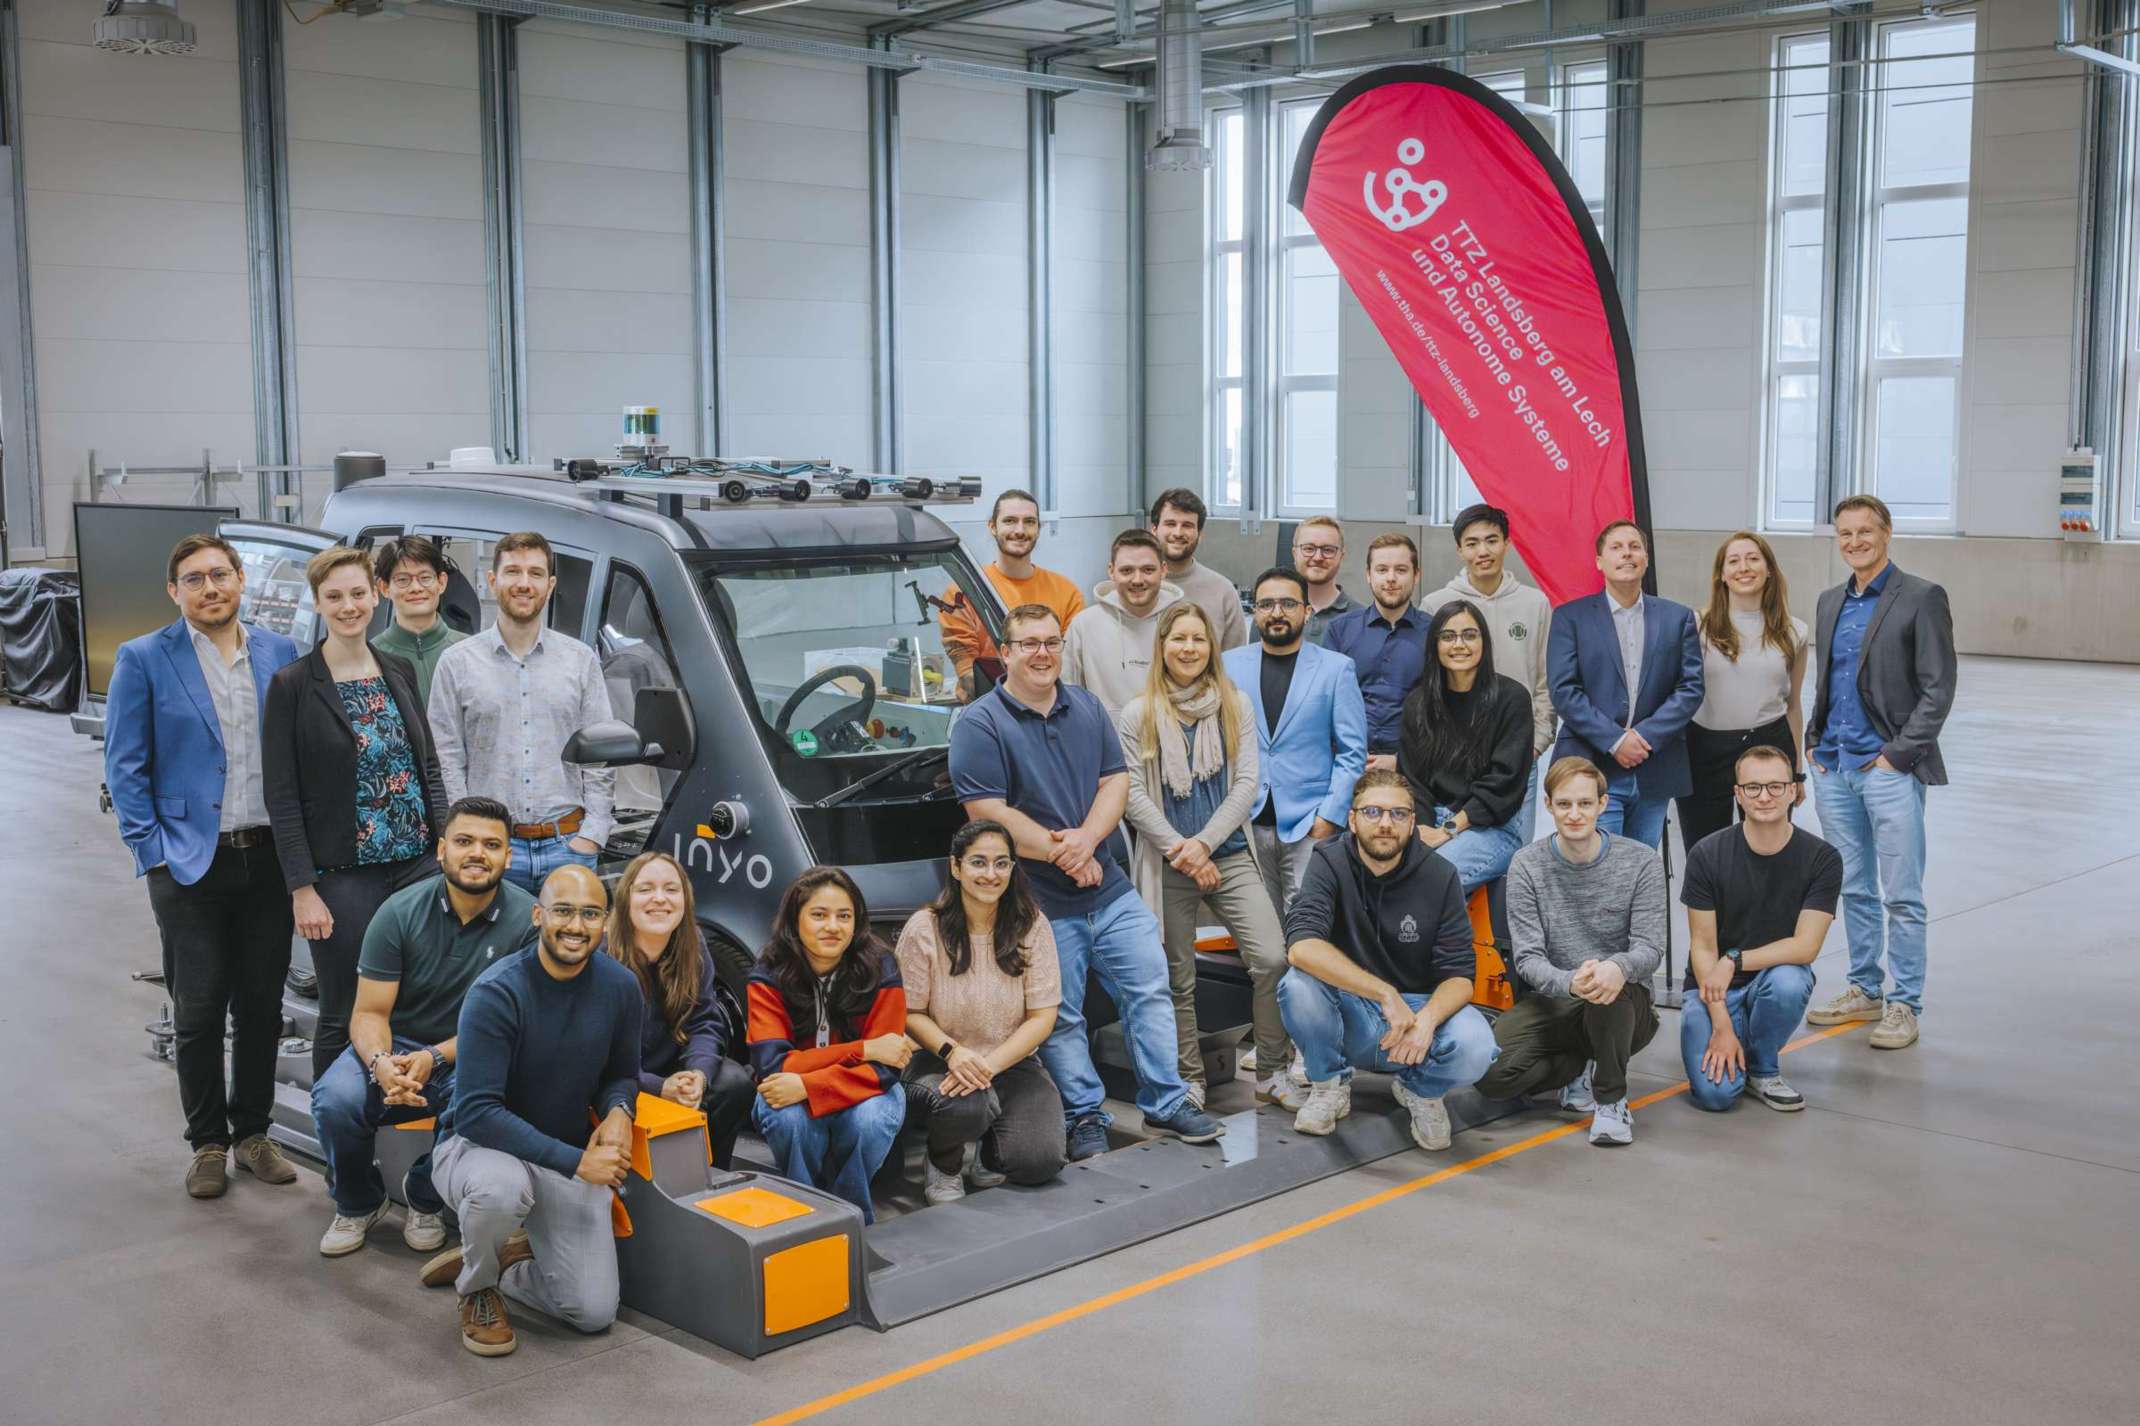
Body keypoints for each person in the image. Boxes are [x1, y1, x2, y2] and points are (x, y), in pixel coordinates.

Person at [950, 604, 1223, 1160]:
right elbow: (987, 813)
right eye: (1028, 644)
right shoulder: (980, 723)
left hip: (1109, 887)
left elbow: (1115, 782)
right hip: (1037, 899)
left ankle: (1167, 1102)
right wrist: (1066, 853)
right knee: (1061, 1012)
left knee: (1150, 989)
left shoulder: (1088, 707)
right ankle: (1083, 1116)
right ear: (1005, 654)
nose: (1042, 653)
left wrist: (1085, 843)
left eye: (1051, 641)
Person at [105, 533, 303, 1199]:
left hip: (268, 860)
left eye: (220, 575)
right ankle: (208, 1143)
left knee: (260, 1005)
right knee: (196, 1010)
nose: (210, 587)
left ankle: (252, 1132)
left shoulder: (278, 653)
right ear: (175, 591)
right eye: (194, 579)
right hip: (190, 865)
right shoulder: (143, 659)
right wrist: (154, 853)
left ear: (241, 581)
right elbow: (125, 766)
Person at [419, 864, 643, 1357]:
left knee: (593, 1311)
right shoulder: (497, 992)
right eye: (563, 911)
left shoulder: (621, 987)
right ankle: (478, 1288)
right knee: (501, 1190)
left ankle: (503, 1257)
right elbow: (478, 1112)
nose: (575, 926)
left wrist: (620, 1111)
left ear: (605, 924)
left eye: (589, 914)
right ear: (539, 915)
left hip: (559, 1150)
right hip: (479, 1148)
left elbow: (621, 1074)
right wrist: (578, 1162)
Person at [311, 797, 536, 1257]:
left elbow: (512, 1026)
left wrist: (435, 1058)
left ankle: (425, 1194)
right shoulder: (399, 911)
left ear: (508, 857)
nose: (478, 853)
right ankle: (358, 1203)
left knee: (489, 1101)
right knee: (335, 1100)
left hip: (477, 1052)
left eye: (492, 844)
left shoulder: (529, 922)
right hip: (399, 1044)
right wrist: (380, 1064)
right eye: (465, 841)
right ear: (441, 850)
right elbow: (370, 1013)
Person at [265, 545, 450, 1080]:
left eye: (358, 594)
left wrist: (441, 848)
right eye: (335, 596)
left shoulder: (396, 671)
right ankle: (341, 1137)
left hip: (416, 866)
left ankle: (409, 1126)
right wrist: (303, 889)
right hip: (344, 878)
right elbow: (282, 796)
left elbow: (428, 769)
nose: (349, 606)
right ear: (319, 603)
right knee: (344, 1011)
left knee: (418, 1003)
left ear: (376, 596)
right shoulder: (294, 686)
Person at [1118, 602, 1297, 1111]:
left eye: (1198, 639)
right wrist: (1182, 850)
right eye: (1179, 639)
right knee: (1175, 976)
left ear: (1211, 648)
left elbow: (1247, 785)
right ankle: (1188, 1077)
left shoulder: (1233, 705)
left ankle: (1270, 1070)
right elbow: (1132, 795)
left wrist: (1204, 846)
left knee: (1272, 959)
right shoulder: (1139, 714)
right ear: (1163, 647)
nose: (1189, 649)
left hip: (1230, 854)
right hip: (1166, 862)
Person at [1803, 494, 1956, 1051]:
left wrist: (1898, 754)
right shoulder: (1828, 601)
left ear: (1887, 533)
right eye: (1845, 534)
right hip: (1835, 767)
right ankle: (1865, 989)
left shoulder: (1920, 597)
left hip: (1888, 771)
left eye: (1865, 531)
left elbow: (1938, 689)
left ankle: (1904, 1003)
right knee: (1856, 889)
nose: (1855, 542)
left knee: (1902, 895)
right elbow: (1828, 682)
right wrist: (1814, 743)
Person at [1276, 770, 1498, 1150]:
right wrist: (1383, 993)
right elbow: (1301, 947)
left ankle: (1420, 1091)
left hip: (1414, 1018)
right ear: (1352, 818)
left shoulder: (1440, 875)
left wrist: (1426, 1021)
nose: (1385, 823)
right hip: (1353, 1009)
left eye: (1398, 814)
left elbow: (1461, 975)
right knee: (1296, 985)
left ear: (1413, 822)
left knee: (1477, 1044)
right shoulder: (1329, 861)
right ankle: (1330, 1084)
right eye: (1373, 811)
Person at [1476, 758, 1664, 1146]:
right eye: (1564, 804)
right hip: (1556, 997)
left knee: (1608, 988)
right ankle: (1580, 1063)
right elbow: (1528, 959)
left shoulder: (1640, 861)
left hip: (1625, 1002)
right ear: (1548, 805)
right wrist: (1569, 982)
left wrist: (1615, 967)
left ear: (1602, 803)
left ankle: (1611, 1101)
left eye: (1584, 803)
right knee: (1493, 1079)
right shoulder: (1527, 864)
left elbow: (1650, 948)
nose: (1574, 814)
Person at [428, 531, 617, 894]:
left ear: (550, 584)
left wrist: (593, 834)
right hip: (490, 850)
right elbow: (446, 759)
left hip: (569, 846)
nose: (524, 584)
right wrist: (466, 838)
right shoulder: (457, 663)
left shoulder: (580, 661)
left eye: (535, 573)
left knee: (570, 951)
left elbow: (600, 756)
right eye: (513, 572)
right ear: (492, 580)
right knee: (489, 950)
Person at [895, 821, 1067, 1205]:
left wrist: (987, 1066)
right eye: (978, 862)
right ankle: (945, 1162)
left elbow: (1043, 1017)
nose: (991, 874)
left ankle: (991, 1151)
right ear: (956, 868)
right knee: (966, 1102)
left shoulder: (1032, 925)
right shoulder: (925, 927)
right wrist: (954, 1054)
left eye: (1002, 864)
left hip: (1008, 1061)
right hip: (936, 1058)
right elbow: (909, 1012)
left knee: (1040, 1160)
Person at [1683, 746, 1844, 1110]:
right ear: (1738, 794)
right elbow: (1703, 948)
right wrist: (1721, 1023)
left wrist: (1735, 960)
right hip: (1711, 990)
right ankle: (1731, 1035)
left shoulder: (1822, 859)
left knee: (1791, 980)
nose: (1765, 796)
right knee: (1716, 1097)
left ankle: (1763, 1067)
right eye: (1753, 788)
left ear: (1793, 791)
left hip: (1769, 982)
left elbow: (1806, 948)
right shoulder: (1706, 854)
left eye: (1775, 786)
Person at [746, 867, 909, 1222]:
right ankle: (805, 1213)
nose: (832, 927)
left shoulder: (880, 966)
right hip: (797, 1085)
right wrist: (863, 1049)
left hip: (868, 1088)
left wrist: (807, 1084)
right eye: (819, 915)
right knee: (786, 1116)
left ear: (857, 921)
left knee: (872, 1119)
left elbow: (886, 1067)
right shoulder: (768, 972)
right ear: (795, 920)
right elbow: (774, 1067)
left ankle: (851, 1212)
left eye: (844, 916)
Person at [1546, 520, 1704, 849]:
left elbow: (1690, 688)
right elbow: (1564, 691)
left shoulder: (1678, 617)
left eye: (1634, 546)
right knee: (1597, 870)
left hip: (1654, 768)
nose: (1627, 554)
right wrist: (1616, 740)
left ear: (1646, 558)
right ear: (1599, 562)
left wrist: (1644, 737)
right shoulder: (1570, 617)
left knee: (1641, 870)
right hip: (1591, 767)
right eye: (1616, 547)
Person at [1222, 567, 1368, 915]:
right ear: (1254, 611)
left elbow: (1352, 752)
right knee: (1263, 936)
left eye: (1288, 603)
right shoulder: (1228, 666)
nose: (1276, 613)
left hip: (1309, 824)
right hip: (1246, 823)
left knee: (1310, 926)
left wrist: (1329, 818)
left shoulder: (1336, 669)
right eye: (1266, 604)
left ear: (1307, 610)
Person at [608, 851, 754, 1170]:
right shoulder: (602, 956)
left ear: (685, 899)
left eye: (671, 889)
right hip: (612, 1081)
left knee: (733, 1082)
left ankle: (708, 1175)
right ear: (625, 898)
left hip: (670, 1070)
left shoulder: (693, 945)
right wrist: (658, 1087)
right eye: (646, 889)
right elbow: (596, 1056)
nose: (660, 899)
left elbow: (705, 1021)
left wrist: (697, 1074)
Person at [1422, 503, 1554, 829]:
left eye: (1492, 540)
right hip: (1454, 757)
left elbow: (1544, 682)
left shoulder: (1534, 603)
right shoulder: (1436, 605)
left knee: (1513, 855)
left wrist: (1536, 743)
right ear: (1459, 550)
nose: (1483, 551)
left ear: (1507, 543)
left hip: (1519, 751)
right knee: (1456, 846)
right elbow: (1429, 682)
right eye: (1472, 543)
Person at [1676, 531, 1809, 851]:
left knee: (1769, 849)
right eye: (1733, 561)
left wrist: (1797, 773)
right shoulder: (1696, 625)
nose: (1743, 567)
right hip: (1705, 748)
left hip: (1770, 744)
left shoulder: (1795, 630)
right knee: (1705, 850)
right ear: (1721, 575)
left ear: (1769, 569)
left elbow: (1792, 706)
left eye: (1753, 558)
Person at [1396, 599, 1536, 891]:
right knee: (1379, 874)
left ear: (1484, 642)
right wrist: (1423, 830)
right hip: (1429, 822)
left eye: (1469, 635)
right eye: (1448, 636)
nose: (1459, 644)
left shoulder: (1512, 699)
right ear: (1435, 645)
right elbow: (1412, 780)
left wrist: (1447, 831)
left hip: (1493, 828)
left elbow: (1503, 784)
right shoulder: (1418, 704)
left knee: (1428, 883)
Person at [938, 488, 1087, 681]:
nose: (1020, 530)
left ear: (1038, 529)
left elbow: (1067, 666)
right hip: (988, 704)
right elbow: (968, 670)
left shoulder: (1067, 593)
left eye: (1029, 522)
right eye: (1010, 521)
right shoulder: (961, 593)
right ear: (992, 526)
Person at [1322, 532, 1431, 770]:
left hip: (1416, 770)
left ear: (1416, 576)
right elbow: (1325, 704)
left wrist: (1401, 762)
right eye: (1382, 570)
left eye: (1401, 570)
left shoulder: (1435, 633)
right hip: (1347, 766)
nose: (1391, 578)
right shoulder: (1340, 630)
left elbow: (1443, 710)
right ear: (1368, 575)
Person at [1061, 529, 1184, 715]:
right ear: (1111, 571)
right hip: (1105, 742)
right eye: (1127, 570)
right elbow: (1067, 694)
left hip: (1172, 741)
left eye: (1148, 570)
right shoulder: (1084, 625)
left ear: (1163, 570)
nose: (1137, 580)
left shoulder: (1184, 622)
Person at [1147, 487, 1248, 651]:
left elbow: (1235, 663)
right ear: (1154, 529)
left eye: (1187, 525)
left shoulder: (1223, 591)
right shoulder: (1134, 587)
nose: (1178, 533)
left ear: (1200, 534)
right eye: (1170, 524)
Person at [371, 534, 467, 707]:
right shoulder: (371, 658)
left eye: (425, 578)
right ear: (384, 588)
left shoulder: (470, 652)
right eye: (403, 580)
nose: (415, 588)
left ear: (442, 582)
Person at [1293, 515, 1356, 645]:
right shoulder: (1271, 613)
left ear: (1341, 557)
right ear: (1295, 553)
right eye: (1309, 549)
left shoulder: (1361, 618)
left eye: (1328, 550)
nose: (1317, 557)